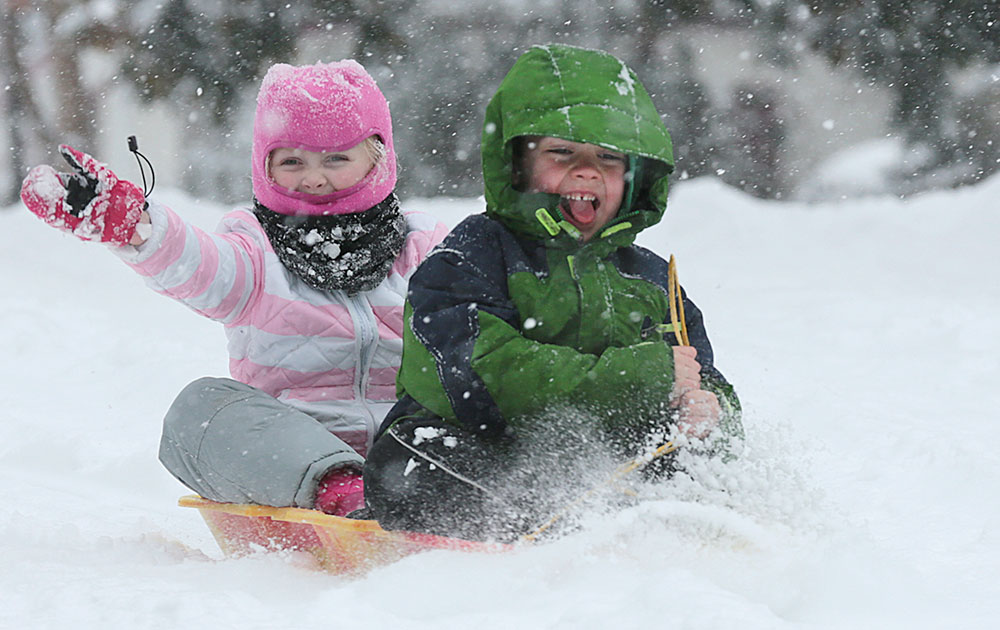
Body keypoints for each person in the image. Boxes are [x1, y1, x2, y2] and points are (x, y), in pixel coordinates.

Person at [19, 61, 449, 516]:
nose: (314, 177)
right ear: (265, 166)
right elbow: (204, 267)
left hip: (410, 451)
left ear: (378, 156)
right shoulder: (257, 249)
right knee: (199, 409)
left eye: (336, 159)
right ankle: (342, 490)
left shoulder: (423, 246)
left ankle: (465, 497)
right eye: (292, 162)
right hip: (287, 456)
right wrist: (137, 230)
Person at [362, 44, 743, 541]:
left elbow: (701, 375)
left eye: (608, 159)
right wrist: (635, 378)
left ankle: (665, 523)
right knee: (413, 460)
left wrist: (710, 412)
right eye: (562, 153)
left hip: (610, 466)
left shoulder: (650, 280)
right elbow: (476, 375)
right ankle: (554, 526)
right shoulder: (472, 256)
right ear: (517, 163)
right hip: (485, 448)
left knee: (697, 462)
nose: (586, 172)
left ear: (634, 178)